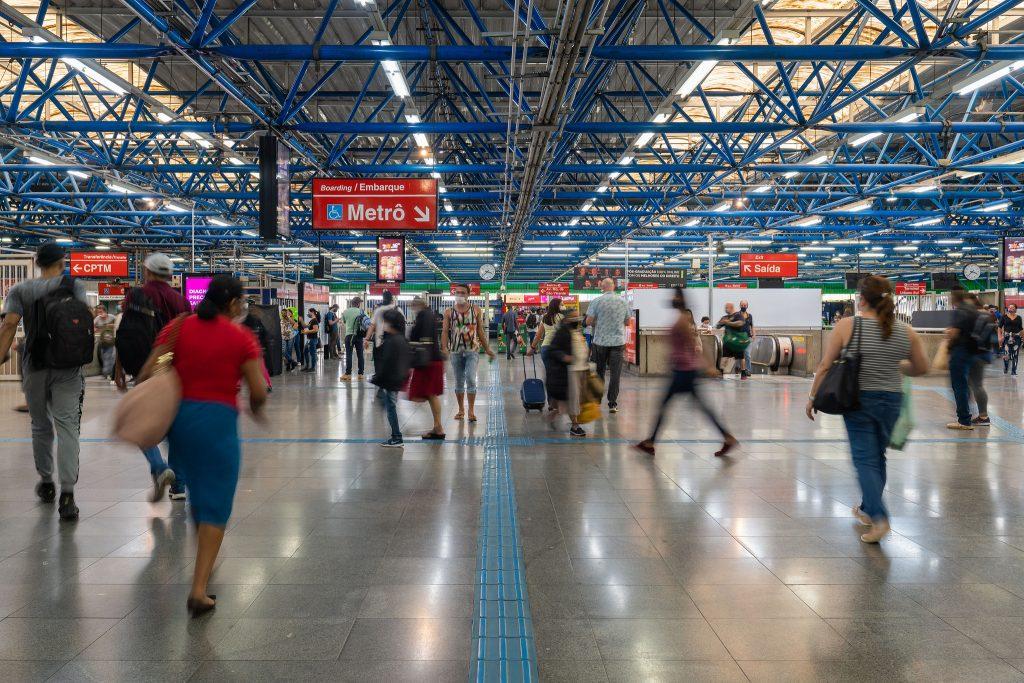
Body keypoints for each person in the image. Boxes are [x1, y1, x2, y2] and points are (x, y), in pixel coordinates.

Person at [139, 274, 267, 616]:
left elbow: (149, 370)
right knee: (216, 503)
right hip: (218, 424)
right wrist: (257, 409)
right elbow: (257, 390)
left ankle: (204, 561)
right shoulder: (240, 337)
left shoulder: (179, 326)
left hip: (181, 422)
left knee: (196, 490)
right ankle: (198, 589)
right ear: (233, 304)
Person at [806, 275, 929, 543]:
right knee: (877, 456)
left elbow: (826, 365)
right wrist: (898, 366)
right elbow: (921, 368)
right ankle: (866, 508)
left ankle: (879, 517)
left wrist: (813, 395)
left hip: (859, 400)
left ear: (861, 299)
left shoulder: (847, 325)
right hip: (892, 400)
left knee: (864, 459)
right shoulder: (905, 331)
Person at [0, 243, 89, 521]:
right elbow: (81, 321)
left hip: (35, 365)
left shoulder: (20, 290)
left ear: (37, 263)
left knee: (40, 426)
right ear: (62, 262)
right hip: (69, 367)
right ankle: (68, 495)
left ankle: (47, 482)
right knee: (67, 428)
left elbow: (9, 324)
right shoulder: (74, 286)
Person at [114, 252, 192, 502]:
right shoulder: (181, 301)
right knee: (176, 427)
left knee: (142, 420)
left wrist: (119, 368)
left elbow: (124, 332)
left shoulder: (136, 296)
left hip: (146, 368)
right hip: (175, 369)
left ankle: (159, 467)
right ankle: (178, 485)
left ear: (147, 271)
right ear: (170, 275)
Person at [635, 288, 737, 458]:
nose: (672, 298)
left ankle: (651, 442)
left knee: (665, 406)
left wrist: (709, 366)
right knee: (699, 408)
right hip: (682, 370)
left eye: (676, 296)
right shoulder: (680, 318)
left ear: (681, 299)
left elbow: (694, 344)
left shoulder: (682, 320)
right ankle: (727, 438)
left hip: (684, 372)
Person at [441, 283, 495, 421]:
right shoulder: (448, 312)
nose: (459, 295)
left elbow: (481, 331)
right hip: (455, 351)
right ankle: (461, 410)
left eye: (462, 292)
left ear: (468, 295)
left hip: (472, 351)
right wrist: (444, 348)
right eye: (457, 292)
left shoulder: (476, 310)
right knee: (459, 381)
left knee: (471, 379)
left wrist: (487, 348)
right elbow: (445, 331)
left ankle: (471, 411)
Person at [586, 277, 630, 413]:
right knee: (615, 374)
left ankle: (598, 401)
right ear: (614, 287)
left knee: (599, 372)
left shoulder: (596, 301)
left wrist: (598, 322)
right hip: (618, 342)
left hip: (600, 342)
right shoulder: (623, 302)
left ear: (602, 287)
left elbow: (588, 321)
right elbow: (628, 322)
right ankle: (612, 403)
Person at [546, 308, 588, 437]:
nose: (577, 320)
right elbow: (552, 350)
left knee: (573, 398)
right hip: (570, 370)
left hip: (580, 368)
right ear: (567, 319)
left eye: (578, 317)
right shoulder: (562, 332)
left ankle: (553, 415)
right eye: (573, 317)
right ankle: (575, 426)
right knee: (574, 398)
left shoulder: (576, 330)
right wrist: (564, 357)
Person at [407, 297, 446, 440]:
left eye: (413, 305)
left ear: (418, 305)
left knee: (429, 394)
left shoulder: (424, 316)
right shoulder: (428, 315)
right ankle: (437, 427)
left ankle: (438, 427)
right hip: (431, 359)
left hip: (428, 360)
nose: (412, 308)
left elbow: (423, 338)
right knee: (430, 394)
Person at [371, 308, 410, 448]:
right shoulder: (402, 339)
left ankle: (396, 436)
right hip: (397, 380)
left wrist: (378, 379)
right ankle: (396, 434)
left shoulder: (391, 341)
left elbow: (386, 363)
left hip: (390, 381)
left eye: (385, 322)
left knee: (390, 407)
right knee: (389, 405)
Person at [946, 288, 981, 430]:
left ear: (954, 298)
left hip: (960, 351)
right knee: (966, 385)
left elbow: (954, 333)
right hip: (973, 351)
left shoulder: (959, 311)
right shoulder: (973, 310)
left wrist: (948, 336)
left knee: (959, 386)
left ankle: (964, 420)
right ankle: (968, 415)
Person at [528, 298, 564, 412]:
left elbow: (538, 335)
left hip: (545, 349)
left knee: (550, 375)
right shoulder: (562, 317)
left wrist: (532, 348)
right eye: (562, 304)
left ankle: (551, 403)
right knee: (559, 376)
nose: (563, 306)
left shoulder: (545, 317)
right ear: (558, 306)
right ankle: (557, 402)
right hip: (557, 349)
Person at [967, 294, 995, 426]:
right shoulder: (987, 315)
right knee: (974, 384)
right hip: (984, 353)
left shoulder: (978, 316)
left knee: (976, 385)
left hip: (977, 354)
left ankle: (983, 417)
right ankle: (980, 415)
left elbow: (975, 336)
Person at [364, 290, 397, 370]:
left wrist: (366, 339)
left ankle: (380, 378)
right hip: (394, 342)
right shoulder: (397, 309)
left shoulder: (378, 310)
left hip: (380, 342)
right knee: (391, 366)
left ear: (383, 299)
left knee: (379, 365)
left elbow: (372, 326)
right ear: (392, 299)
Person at [717, 302, 749, 378]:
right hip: (728, 341)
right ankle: (721, 371)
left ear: (731, 307)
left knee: (741, 357)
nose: (725, 309)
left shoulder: (738, 315)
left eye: (726, 307)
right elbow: (718, 326)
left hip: (737, 341)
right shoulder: (725, 317)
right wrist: (720, 323)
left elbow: (740, 323)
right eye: (725, 308)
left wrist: (728, 323)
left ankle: (743, 372)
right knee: (724, 356)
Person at [340, 297, 366, 380]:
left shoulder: (345, 311)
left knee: (349, 354)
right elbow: (366, 322)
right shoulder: (361, 311)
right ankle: (361, 374)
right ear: (358, 304)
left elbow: (343, 321)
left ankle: (348, 374)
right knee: (360, 355)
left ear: (351, 303)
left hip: (349, 335)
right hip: (359, 335)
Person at [93, 305, 116, 378]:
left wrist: (111, 325)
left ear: (105, 311)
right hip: (102, 341)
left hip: (111, 341)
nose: (99, 314)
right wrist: (95, 329)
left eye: (101, 312)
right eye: (98, 312)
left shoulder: (111, 317)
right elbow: (92, 325)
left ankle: (108, 372)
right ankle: (107, 372)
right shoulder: (97, 319)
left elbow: (117, 324)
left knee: (110, 356)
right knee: (104, 356)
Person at [1000, 303, 1022, 376]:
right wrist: (1000, 337)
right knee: (1006, 353)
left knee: (1015, 354)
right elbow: (999, 327)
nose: (1010, 308)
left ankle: (1014, 371)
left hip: (1016, 338)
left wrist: (1023, 338)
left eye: (1012, 307)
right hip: (1007, 337)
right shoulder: (1004, 317)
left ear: (1015, 309)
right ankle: (1006, 367)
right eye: (1009, 307)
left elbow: (1021, 329)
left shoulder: (1019, 317)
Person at [739, 299, 755, 379]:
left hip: (748, 337)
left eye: (745, 305)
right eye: (742, 305)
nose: (743, 307)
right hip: (739, 338)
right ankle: (739, 368)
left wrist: (754, 334)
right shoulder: (737, 315)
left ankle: (748, 370)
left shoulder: (750, 316)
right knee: (740, 355)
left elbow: (752, 326)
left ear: (747, 306)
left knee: (747, 354)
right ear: (740, 305)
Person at [301, 308, 320, 373]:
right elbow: (306, 326)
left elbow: (315, 330)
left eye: (308, 312)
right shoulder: (311, 320)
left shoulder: (314, 320)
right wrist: (301, 321)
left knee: (312, 354)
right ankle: (307, 366)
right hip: (309, 339)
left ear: (312, 312)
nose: (308, 313)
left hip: (313, 339)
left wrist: (307, 332)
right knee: (305, 352)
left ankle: (312, 368)